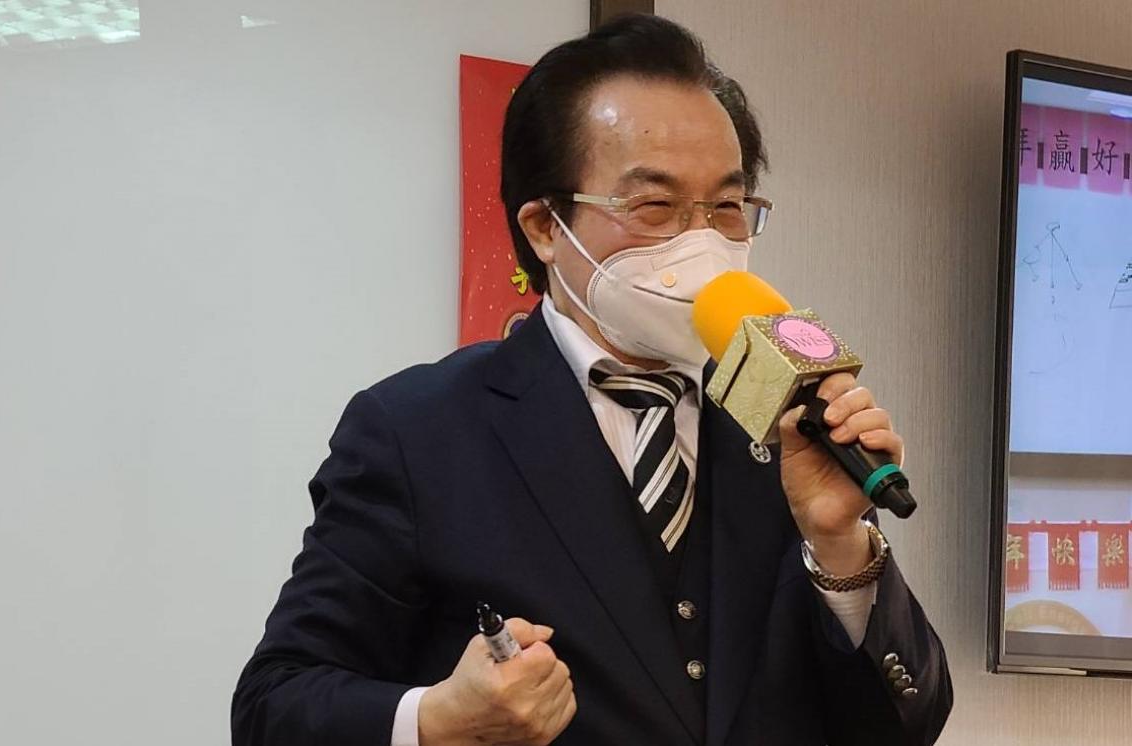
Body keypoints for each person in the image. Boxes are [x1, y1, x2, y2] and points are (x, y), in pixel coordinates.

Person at [231, 14, 952, 746]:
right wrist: (440, 718)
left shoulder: (783, 416)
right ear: (545, 227)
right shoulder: (419, 431)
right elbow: (273, 706)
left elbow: (908, 723)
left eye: (727, 208)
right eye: (655, 207)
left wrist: (840, 546)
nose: (701, 241)